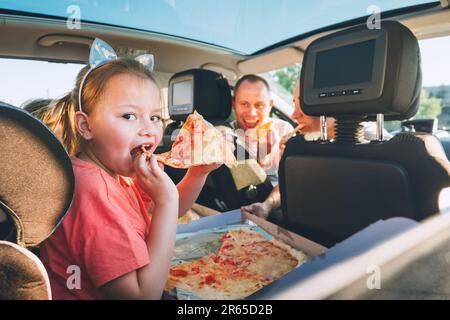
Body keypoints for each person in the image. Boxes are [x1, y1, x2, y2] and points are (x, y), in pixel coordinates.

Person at [40, 57, 219, 300]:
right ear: (85, 126)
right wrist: (167, 201)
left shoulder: (119, 174)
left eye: (155, 117)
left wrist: (197, 174)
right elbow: (142, 296)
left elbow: (164, 211)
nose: (148, 129)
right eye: (129, 116)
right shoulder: (92, 191)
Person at [242, 80, 392, 219]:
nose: (294, 115)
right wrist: (267, 205)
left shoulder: (370, 139)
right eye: (295, 104)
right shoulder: (311, 143)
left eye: (304, 103)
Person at [231, 74, 293, 186]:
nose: (251, 113)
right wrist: (261, 161)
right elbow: (247, 189)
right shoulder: (225, 136)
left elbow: (293, 181)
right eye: (244, 104)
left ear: (270, 105)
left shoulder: (284, 130)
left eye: (259, 105)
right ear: (234, 104)